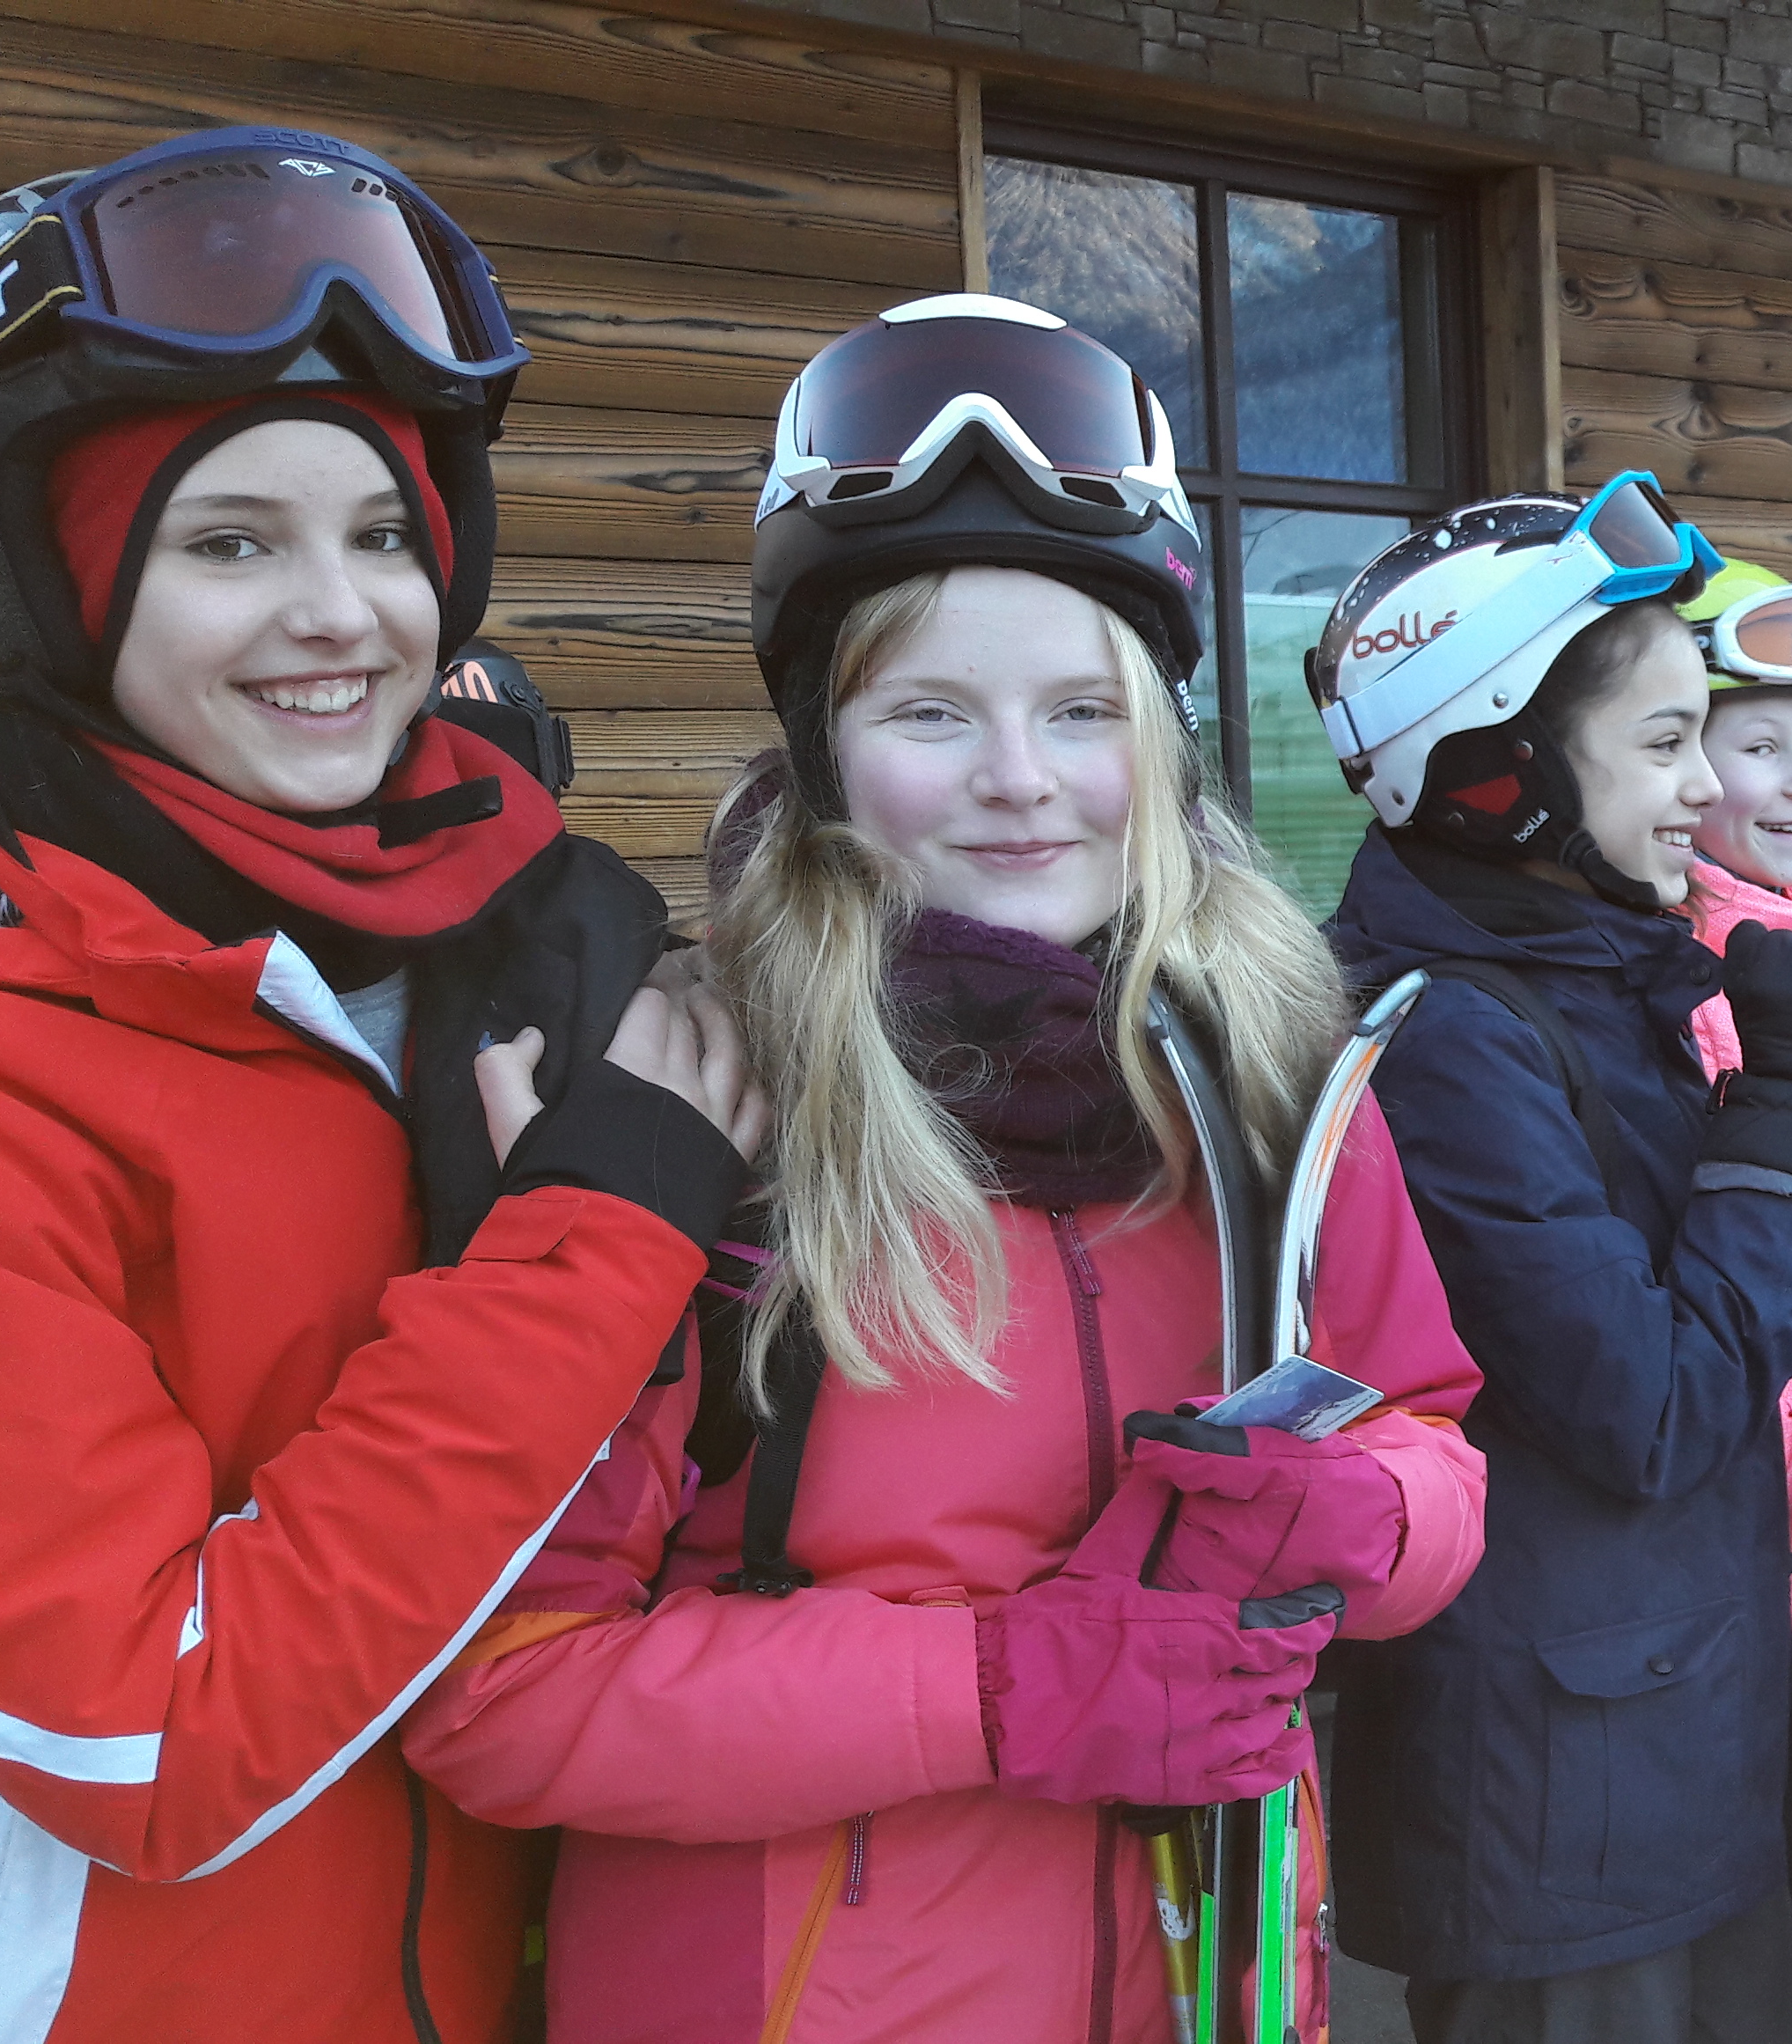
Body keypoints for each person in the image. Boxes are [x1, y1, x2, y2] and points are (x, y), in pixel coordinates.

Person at [395, 296, 1487, 2041]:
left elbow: (1429, 1444)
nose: (1018, 783)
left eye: (1082, 709)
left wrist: (1372, 1515)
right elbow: (497, 1691)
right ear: (825, 743)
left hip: (1209, 1976)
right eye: (930, 713)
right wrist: (995, 1689)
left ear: (1160, 737)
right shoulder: (696, 1103)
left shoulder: (1268, 1082)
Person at [0, 129, 764, 2038]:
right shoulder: (22, 1068)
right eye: (227, 542)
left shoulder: (544, 944)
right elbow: (148, 1738)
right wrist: (596, 1250)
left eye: (385, 535)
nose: (341, 615)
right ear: (60, 588)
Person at [1313, 480, 1792, 2043]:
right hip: (1558, 1806)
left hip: (1664, 1745)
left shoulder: (1591, 973)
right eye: (1666, 742)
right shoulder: (1449, 1037)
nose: (1708, 786)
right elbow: (1654, 1405)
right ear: (1501, 771)